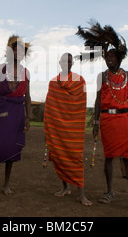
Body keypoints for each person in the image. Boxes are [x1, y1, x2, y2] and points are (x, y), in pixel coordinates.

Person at [77, 21, 128, 213]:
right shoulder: (102, 76)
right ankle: (109, 191)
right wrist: (96, 122)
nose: (109, 59)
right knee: (109, 158)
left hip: (125, 121)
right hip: (107, 121)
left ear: (120, 57)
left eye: (113, 56)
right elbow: (97, 100)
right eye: (107, 56)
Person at [0, 35, 31, 196]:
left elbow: (28, 97)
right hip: (0, 111)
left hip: (17, 114)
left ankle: (6, 184)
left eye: (21, 51)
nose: (18, 53)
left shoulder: (26, 73)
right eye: (15, 50)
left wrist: (28, 117)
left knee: (12, 148)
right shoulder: (1, 69)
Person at [43, 53, 92, 206]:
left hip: (73, 128)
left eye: (69, 61)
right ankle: (65, 188)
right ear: (59, 62)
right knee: (58, 156)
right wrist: (49, 128)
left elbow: (81, 104)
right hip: (57, 128)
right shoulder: (53, 83)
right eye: (64, 61)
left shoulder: (79, 81)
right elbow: (49, 107)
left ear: (72, 63)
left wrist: (73, 120)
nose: (66, 63)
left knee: (76, 159)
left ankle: (81, 194)